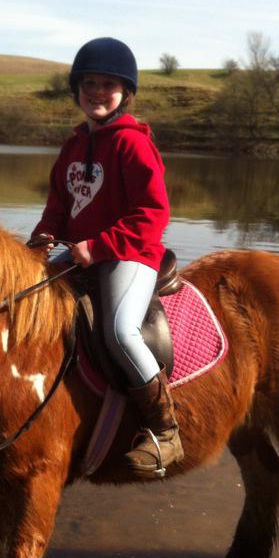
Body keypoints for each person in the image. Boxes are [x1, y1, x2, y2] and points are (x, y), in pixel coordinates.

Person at [29, 37, 183, 476]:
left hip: (129, 254)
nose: (97, 92)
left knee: (119, 330)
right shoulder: (73, 147)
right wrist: (40, 243)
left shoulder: (132, 144)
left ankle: (166, 430)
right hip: (81, 256)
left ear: (125, 94)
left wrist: (97, 246)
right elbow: (58, 208)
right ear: (77, 89)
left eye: (108, 85)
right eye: (89, 83)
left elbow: (154, 213)